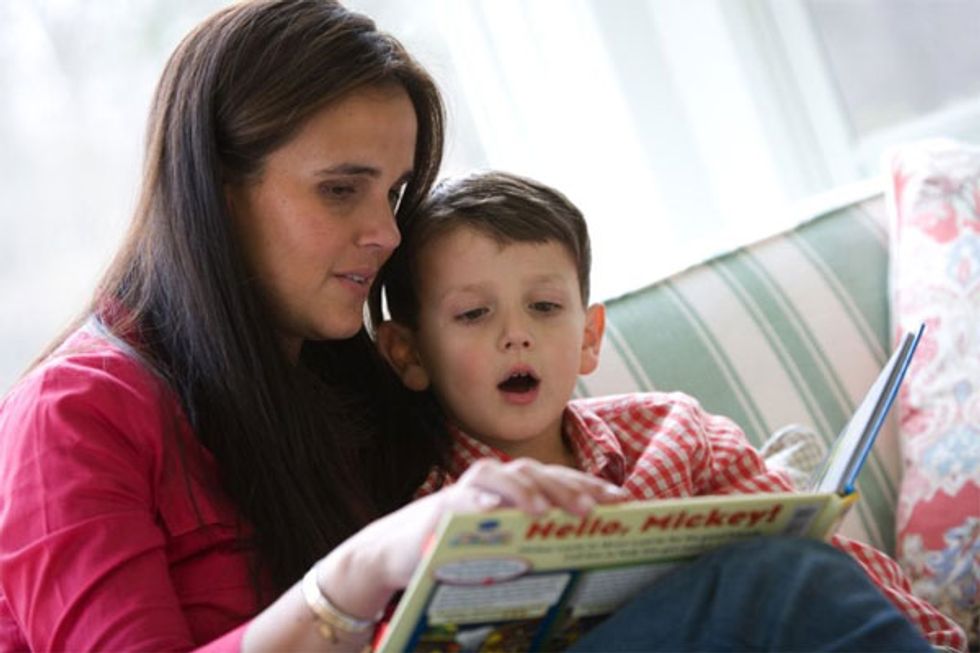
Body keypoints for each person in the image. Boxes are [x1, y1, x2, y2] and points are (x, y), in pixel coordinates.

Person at [0, 3, 630, 652]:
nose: (387, 233)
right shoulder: (71, 417)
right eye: (339, 190)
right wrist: (361, 568)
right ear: (217, 193)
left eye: (393, 192)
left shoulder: (359, 380)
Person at [373, 170, 968, 651]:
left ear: (589, 337)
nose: (517, 335)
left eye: (545, 306)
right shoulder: (423, 521)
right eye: (474, 314)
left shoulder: (676, 434)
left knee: (793, 564)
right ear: (410, 354)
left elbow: (827, 566)